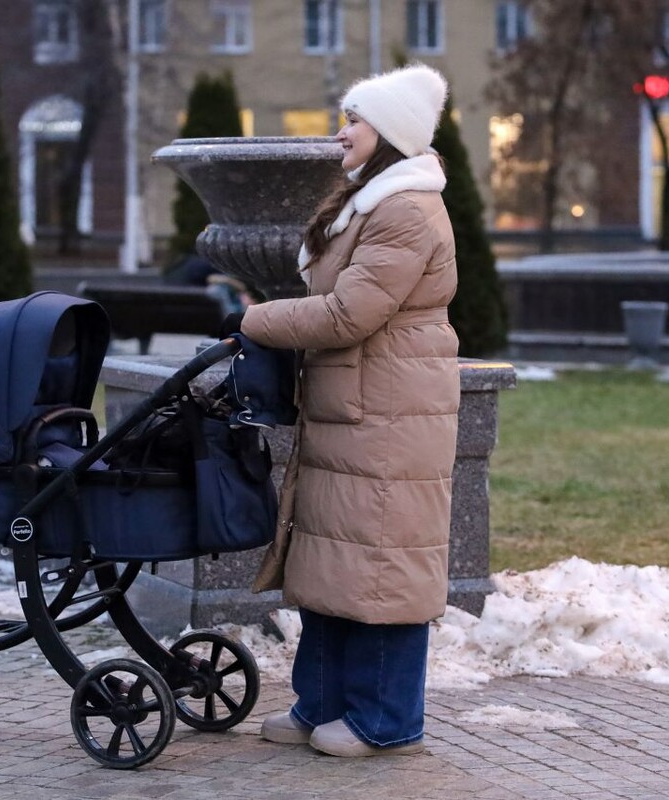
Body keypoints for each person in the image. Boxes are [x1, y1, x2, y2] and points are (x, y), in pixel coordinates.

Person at [219, 63, 460, 758]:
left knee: (383, 566)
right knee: (331, 560)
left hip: (391, 407)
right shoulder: (370, 200)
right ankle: (319, 704)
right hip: (355, 403)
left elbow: (351, 312)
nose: (340, 131)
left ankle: (385, 720)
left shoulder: (408, 210)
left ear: (389, 134)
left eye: (354, 120)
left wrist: (259, 321)